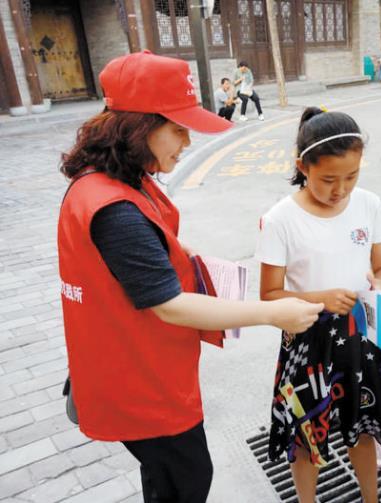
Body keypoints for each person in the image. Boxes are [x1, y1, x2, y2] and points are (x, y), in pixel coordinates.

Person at [57, 51, 323, 503]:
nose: (187, 141)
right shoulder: (115, 210)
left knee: (166, 477)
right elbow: (170, 305)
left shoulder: (112, 179)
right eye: (178, 128)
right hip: (139, 380)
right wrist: (271, 313)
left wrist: (180, 250)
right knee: (188, 478)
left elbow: (142, 246)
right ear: (139, 126)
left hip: (128, 359)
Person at [255, 107, 381, 503]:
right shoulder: (280, 220)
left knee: (363, 427)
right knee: (306, 436)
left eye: (351, 176)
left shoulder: (369, 204)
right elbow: (269, 295)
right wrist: (319, 299)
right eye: (328, 179)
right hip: (308, 341)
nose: (341, 189)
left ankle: (371, 498)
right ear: (302, 167)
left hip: (360, 334)